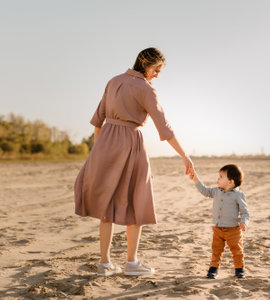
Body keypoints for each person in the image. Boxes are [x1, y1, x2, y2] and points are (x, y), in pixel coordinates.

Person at [74, 47, 194, 277]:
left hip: (105, 143)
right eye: (156, 69)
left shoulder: (113, 81)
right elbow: (165, 128)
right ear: (144, 62)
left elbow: (98, 120)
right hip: (130, 143)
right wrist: (184, 155)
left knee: (106, 204)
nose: (157, 75)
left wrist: (96, 151)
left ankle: (105, 264)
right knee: (136, 199)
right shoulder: (146, 89)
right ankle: (131, 263)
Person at [189, 164, 250, 279]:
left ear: (230, 182)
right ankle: (213, 269)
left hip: (233, 230)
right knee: (216, 250)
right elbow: (205, 191)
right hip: (218, 229)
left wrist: (244, 222)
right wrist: (195, 178)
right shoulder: (216, 191)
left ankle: (239, 269)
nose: (218, 179)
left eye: (221, 177)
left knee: (237, 251)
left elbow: (245, 212)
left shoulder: (238, 195)